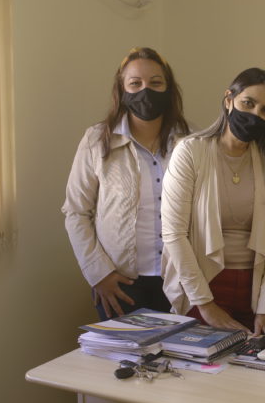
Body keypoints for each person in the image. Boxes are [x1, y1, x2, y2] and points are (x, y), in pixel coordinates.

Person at [161, 68, 265, 337]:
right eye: (248, 103)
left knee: (257, 360)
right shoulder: (190, 151)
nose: (255, 115)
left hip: (254, 289)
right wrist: (205, 304)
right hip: (202, 285)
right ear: (229, 100)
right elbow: (174, 233)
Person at [63, 47, 191, 320]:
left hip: (179, 280)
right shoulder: (97, 140)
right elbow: (76, 212)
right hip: (119, 283)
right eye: (135, 83)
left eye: (155, 83)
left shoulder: (190, 143)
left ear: (168, 88)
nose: (146, 90)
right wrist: (99, 274)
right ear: (122, 90)